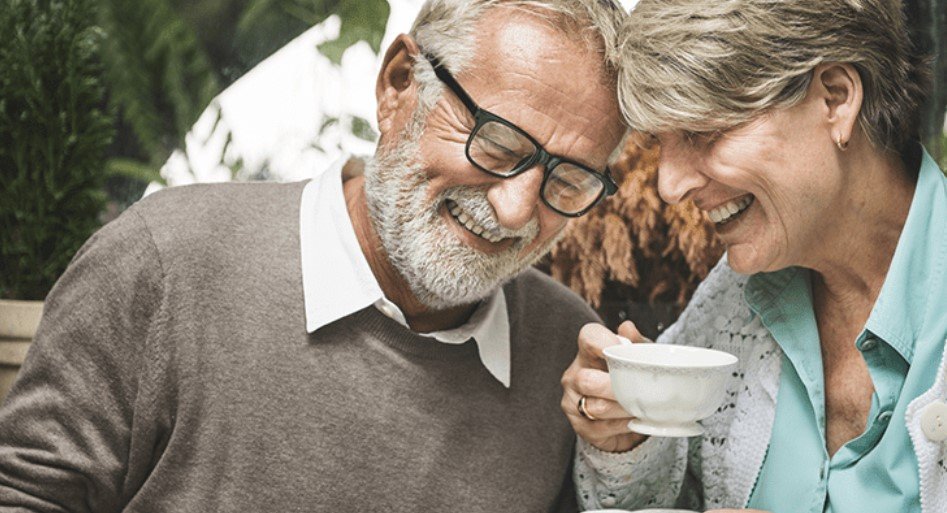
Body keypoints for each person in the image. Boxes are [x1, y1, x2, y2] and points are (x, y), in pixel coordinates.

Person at [0, 1, 627, 511]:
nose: (518, 209)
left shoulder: (567, 353)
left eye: (568, 180)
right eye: (496, 142)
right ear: (399, 85)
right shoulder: (166, 260)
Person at [561, 1, 947, 512]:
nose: (668, 185)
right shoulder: (734, 299)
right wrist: (626, 438)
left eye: (703, 133)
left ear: (836, 98)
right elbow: (649, 497)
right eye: (660, 143)